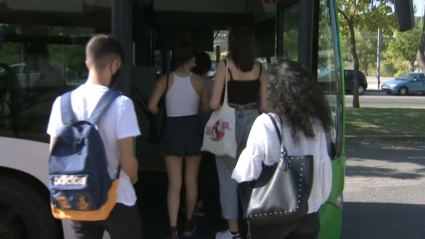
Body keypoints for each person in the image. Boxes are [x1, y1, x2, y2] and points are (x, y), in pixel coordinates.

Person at [46, 34, 142, 238]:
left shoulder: (61, 103)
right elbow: (127, 161)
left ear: (87, 62)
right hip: (118, 199)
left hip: (79, 199)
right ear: (115, 64)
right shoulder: (121, 104)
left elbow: (53, 155)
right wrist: (133, 176)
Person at [231, 59, 333, 239]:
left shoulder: (265, 124)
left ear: (274, 91)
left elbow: (245, 174)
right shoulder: (317, 126)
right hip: (309, 216)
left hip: (271, 218)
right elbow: (324, 176)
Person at [148, 35, 209, 239]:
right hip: (192, 128)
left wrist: (164, 107)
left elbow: (151, 107)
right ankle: (188, 223)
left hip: (172, 129)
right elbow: (207, 107)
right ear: (190, 58)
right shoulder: (199, 81)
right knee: (191, 181)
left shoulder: (165, 80)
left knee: (175, 184)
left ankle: (173, 229)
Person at [209, 26, 267, 239]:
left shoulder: (225, 66)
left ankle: (234, 233)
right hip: (253, 123)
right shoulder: (260, 69)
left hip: (229, 123)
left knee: (228, 178)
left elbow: (215, 103)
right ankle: (252, 230)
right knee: (251, 177)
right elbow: (265, 105)